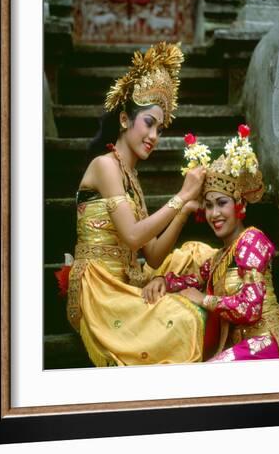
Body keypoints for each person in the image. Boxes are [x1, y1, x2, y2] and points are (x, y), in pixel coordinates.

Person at [66, 41, 213, 367]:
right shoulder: (105, 165)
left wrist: (185, 209)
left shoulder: (131, 176)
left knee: (198, 255)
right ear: (124, 120)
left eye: (160, 128)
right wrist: (182, 196)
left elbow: (153, 254)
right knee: (185, 319)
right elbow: (133, 236)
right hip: (102, 288)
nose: (154, 135)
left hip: (131, 275)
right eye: (149, 122)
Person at [145, 125, 279, 362]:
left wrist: (204, 300)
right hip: (241, 347)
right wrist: (163, 280)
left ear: (241, 205)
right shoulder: (219, 258)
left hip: (266, 342)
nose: (214, 214)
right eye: (209, 205)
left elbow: (250, 308)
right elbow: (194, 280)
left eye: (222, 203)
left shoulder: (252, 240)